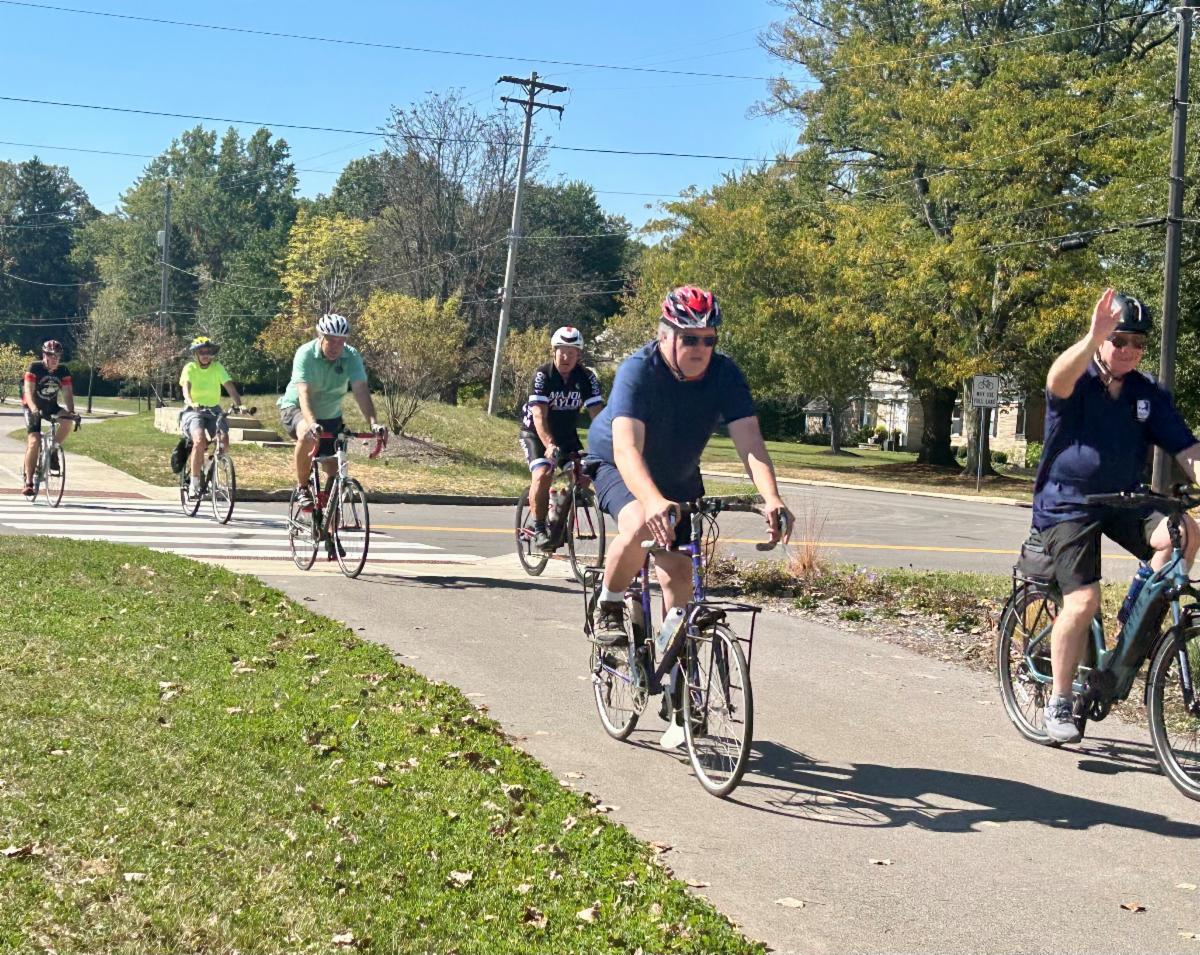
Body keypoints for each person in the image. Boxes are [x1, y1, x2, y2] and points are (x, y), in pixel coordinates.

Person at [1033, 287, 1200, 744]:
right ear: (1105, 340)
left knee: (1185, 531)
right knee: (1084, 602)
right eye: (1120, 340)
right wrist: (1092, 337)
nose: (1130, 350)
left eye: (1139, 343)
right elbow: (1055, 379)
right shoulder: (1079, 378)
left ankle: (1135, 618)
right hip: (1067, 503)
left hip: (1123, 497)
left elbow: (1187, 448)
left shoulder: (1146, 394)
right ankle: (1060, 702)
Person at [586, 285, 793, 648]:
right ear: (665, 335)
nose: (700, 350)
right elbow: (626, 448)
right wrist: (651, 501)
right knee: (638, 523)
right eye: (690, 339)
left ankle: (679, 679)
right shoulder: (639, 371)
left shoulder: (725, 374)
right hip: (618, 465)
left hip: (678, 473)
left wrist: (772, 497)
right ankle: (609, 602)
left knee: (680, 573)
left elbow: (750, 444)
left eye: (708, 340)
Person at [277, 313, 387, 509]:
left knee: (333, 467)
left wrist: (374, 423)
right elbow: (304, 393)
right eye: (331, 340)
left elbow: (360, 389)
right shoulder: (306, 353)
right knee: (306, 433)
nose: (336, 346)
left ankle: (328, 518)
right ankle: (302, 488)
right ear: (320, 336)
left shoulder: (351, 356)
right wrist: (311, 424)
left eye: (341, 341)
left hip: (330, 415)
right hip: (296, 408)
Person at [519, 325, 605, 551]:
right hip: (537, 434)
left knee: (582, 475)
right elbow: (539, 414)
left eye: (572, 352)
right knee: (543, 473)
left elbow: (598, 414)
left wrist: (610, 442)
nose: (566, 356)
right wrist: (548, 445)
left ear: (579, 355)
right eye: (561, 351)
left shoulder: (586, 378)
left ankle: (557, 516)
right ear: (554, 351)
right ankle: (538, 529)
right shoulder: (543, 375)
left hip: (567, 435)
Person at [179, 336, 243, 500]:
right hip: (194, 410)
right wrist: (190, 401)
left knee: (224, 440)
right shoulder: (190, 367)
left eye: (208, 352)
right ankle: (193, 485)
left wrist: (239, 404)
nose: (205, 355)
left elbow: (229, 385)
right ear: (196, 354)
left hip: (213, 409)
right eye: (202, 352)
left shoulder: (217, 367)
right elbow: (186, 387)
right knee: (199, 440)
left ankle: (207, 465)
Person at [21, 340, 77, 496]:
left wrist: (71, 412)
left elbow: (67, 394)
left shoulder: (63, 371)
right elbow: (28, 391)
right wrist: (33, 410)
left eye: (58, 356)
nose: (55, 359)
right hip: (32, 407)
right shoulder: (34, 368)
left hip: (50, 406)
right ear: (44, 355)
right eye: (52, 356)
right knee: (34, 441)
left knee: (67, 422)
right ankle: (29, 481)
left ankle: (53, 450)